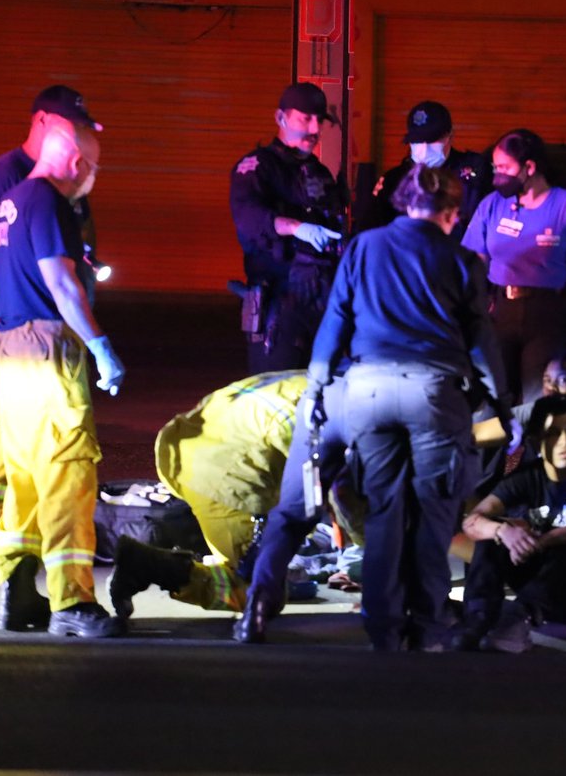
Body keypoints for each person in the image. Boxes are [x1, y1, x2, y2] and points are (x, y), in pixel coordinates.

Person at [235, 164, 517, 650]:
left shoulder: (364, 247)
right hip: (433, 394)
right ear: (451, 212)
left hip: (363, 392)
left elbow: (334, 321)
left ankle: (383, 626)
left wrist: (317, 387)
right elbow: (481, 342)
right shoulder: (461, 259)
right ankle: (426, 624)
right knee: (431, 513)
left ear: (404, 203)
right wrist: (501, 404)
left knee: (385, 508)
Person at [0, 123, 124, 638]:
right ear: (75, 163)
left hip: (7, 351)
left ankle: (18, 592)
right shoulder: (49, 202)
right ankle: (72, 603)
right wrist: (101, 347)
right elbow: (61, 284)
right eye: (92, 168)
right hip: (46, 351)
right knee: (68, 473)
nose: (92, 178)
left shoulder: (10, 201)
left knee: (22, 475)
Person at [109, 372, 355, 623]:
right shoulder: (342, 418)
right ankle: (146, 566)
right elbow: (343, 499)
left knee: (273, 550)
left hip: (191, 446)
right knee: (258, 593)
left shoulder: (325, 381)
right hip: (222, 474)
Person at [0, 85, 103, 531]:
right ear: (43, 122)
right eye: (72, 124)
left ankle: (12, 526)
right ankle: (2, 513)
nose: (79, 134)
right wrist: (37, 262)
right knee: (27, 432)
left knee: (21, 428)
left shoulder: (62, 179)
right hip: (32, 321)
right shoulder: (8, 176)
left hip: (50, 320)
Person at [458, 394, 566, 653]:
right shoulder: (527, 477)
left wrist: (545, 540)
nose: (564, 442)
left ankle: (517, 619)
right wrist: (504, 531)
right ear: (537, 440)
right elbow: (473, 522)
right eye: (553, 433)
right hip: (544, 592)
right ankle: (479, 616)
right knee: (495, 533)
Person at [461, 128, 566, 404]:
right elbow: (473, 263)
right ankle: (499, 447)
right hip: (500, 311)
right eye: (494, 167)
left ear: (529, 167)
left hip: (547, 315)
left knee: (538, 399)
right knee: (494, 399)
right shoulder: (492, 205)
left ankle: (533, 446)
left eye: (504, 167)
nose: (497, 174)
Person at [229, 81, 349, 374]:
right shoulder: (257, 166)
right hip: (279, 298)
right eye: (304, 118)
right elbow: (249, 216)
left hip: (322, 297)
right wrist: (297, 228)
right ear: (281, 118)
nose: (313, 129)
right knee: (274, 387)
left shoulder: (319, 172)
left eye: (319, 121)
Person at [358, 100, 490, 241]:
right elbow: (372, 227)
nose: (424, 148)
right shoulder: (396, 179)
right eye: (417, 141)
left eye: (432, 140)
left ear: (450, 136)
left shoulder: (475, 172)